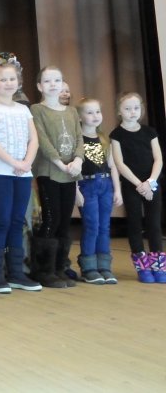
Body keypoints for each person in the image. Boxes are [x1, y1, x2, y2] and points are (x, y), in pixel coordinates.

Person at [0, 59, 42, 294]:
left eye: (12, 79)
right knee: (1, 220)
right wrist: (15, 163)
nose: (8, 83)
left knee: (17, 221)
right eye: (3, 79)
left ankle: (16, 273)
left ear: (19, 82)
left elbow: (34, 140)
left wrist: (26, 163)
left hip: (23, 172)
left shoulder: (24, 109)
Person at [30, 67, 84, 289]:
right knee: (51, 218)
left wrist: (78, 160)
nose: (53, 84)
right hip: (50, 171)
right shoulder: (36, 110)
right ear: (40, 86)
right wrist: (60, 163)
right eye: (48, 81)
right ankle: (44, 270)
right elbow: (42, 140)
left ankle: (60, 267)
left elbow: (79, 138)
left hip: (70, 173)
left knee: (64, 221)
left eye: (57, 80)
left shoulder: (71, 112)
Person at [110, 92, 165, 283]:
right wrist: (139, 184)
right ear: (119, 111)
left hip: (152, 184)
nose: (132, 112)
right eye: (127, 108)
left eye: (136, 108)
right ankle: (142, 267)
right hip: (131, 184)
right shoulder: (116, 135)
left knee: (154, 224)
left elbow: (158, 159)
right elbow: (120, 163)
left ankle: (158, 265)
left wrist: (150, 182)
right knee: (134, 224)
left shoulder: (150, 132)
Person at [75, 98, 122, 284]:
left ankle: (104, 266)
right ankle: (89, 267)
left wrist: (117, 190)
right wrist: (76, 190)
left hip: (105, 185)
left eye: (97, 112)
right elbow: (75, 169)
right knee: (92, 225)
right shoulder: (78, 139)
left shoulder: (103, 138)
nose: (95, 116)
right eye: (89, 112)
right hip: (87, 185)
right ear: (80, 117)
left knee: (104, 226)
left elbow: (112, 166)